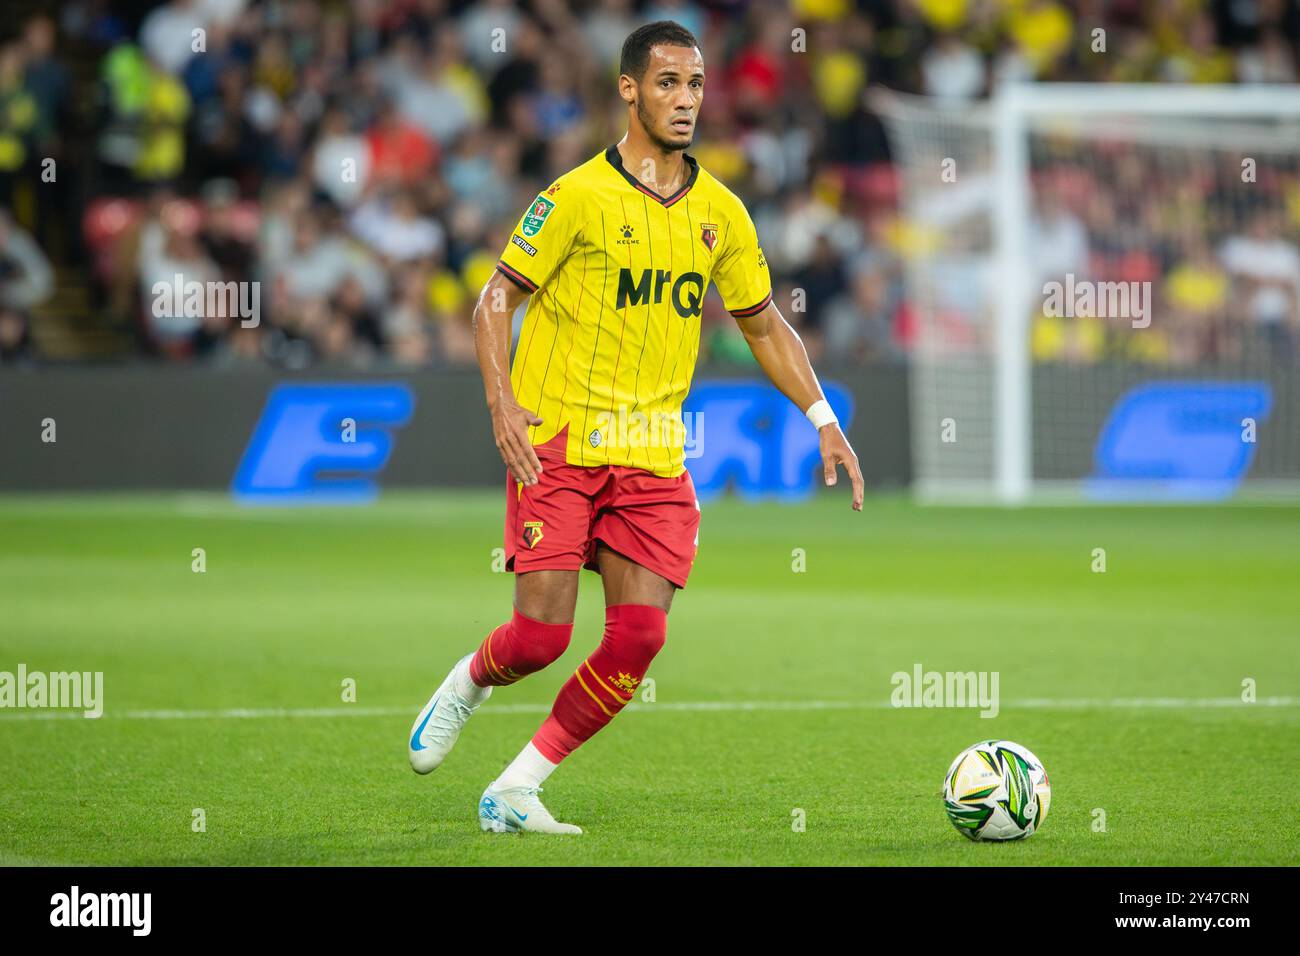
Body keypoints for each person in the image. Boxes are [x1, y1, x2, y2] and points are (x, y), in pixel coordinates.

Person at [407, 21, 863, 835]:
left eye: (694, 85)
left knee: (640, 638)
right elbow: (496, 299)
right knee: (541, 639)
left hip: (653, 454)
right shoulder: (576, 196)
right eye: (667, 84)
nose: (685, 100)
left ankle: (515, 788)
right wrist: (501, 402)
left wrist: (822, 415)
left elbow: (762, 324)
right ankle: (471, 680)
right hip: (560, 442)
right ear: (629, 89)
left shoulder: (720, 210)